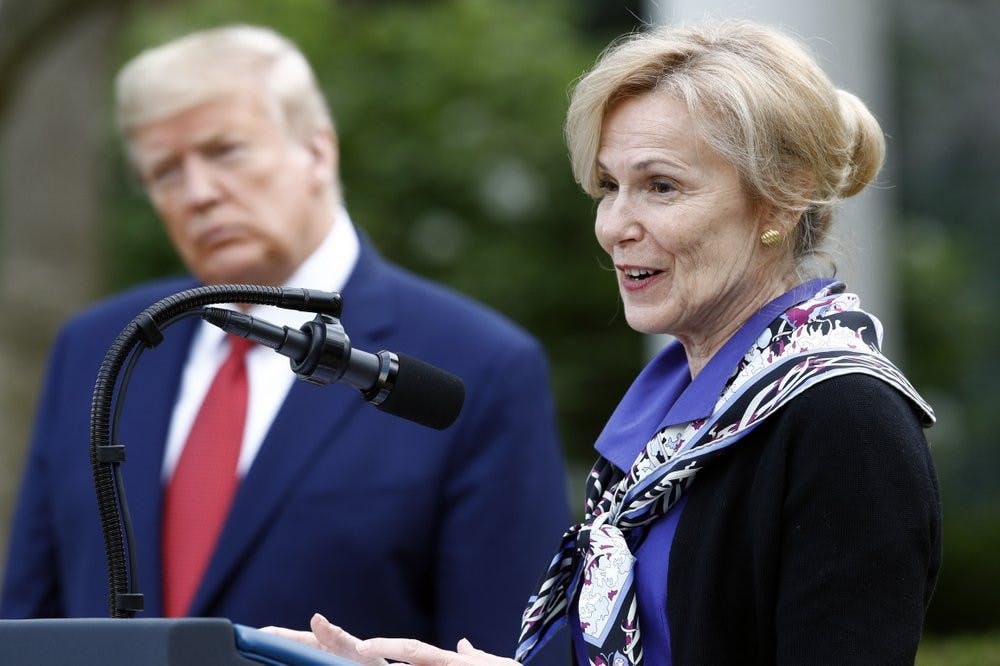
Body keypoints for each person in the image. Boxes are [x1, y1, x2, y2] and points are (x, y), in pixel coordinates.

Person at [264, 19, 943, 665]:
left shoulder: (846, 420)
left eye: (661, 186)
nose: (616, 225)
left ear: (779, 201)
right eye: (609, 186)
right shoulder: (669, 419)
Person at [0, 24, 571, 661]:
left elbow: (504, 649)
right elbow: (29, 618)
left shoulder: (477, 364)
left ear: (318, 152)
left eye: (226, 151)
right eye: (165, 172)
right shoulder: (100, 348)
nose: (198, 193)